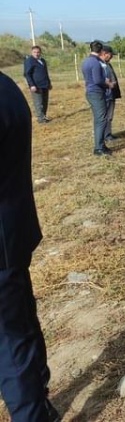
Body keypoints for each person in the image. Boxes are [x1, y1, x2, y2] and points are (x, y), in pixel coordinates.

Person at [0, 71, 61, 422]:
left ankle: (33, 413)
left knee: (10, 346)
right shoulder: (6, 86)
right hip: (12, 233)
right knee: (20, 323)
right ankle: (41, 398)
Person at [82, 40, 112, 156]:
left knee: (98, 119)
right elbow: (98, 80)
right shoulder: (95, 63)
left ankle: (100, 144)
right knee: (101, 119)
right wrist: (107, 83)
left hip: (91, 91)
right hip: (96, 93)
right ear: (101, 51)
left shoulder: (86, 61)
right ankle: (99, 148)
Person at [23, 45, 53, 124]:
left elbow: (46, 73)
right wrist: (31, 85)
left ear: (40, 52)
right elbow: (27, 74)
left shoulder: (42, 60)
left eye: (38, 52)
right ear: (31, 52)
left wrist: (49, 83)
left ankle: (44, 116)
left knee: (45, 102)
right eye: (34, 52)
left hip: (44, 84)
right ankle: (40, 119)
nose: (36, 54)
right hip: (36, 85)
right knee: (38, 102)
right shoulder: (29, 61)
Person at [100, 45, 121, 142]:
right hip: (107, 94)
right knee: (107, 115)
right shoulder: (100, 65)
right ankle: (106, 136)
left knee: (110, 115)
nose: (112, 57)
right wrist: (110, 84)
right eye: (111, 54)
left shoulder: (107, 64)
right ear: (105, 54)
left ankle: (107, 134)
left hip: (111, 93)